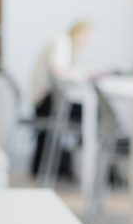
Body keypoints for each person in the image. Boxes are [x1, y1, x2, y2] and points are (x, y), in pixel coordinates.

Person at [29, 20, 94, 179]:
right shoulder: (61, 41)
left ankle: (83, 163)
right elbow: (59, 71)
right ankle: (95, 166)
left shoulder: (63, 43)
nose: (86, 43)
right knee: (91, 113)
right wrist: (83, 73)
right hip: (46, 102)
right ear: (80, 32)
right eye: (87, 38)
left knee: (88, 112)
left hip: (49, 100)